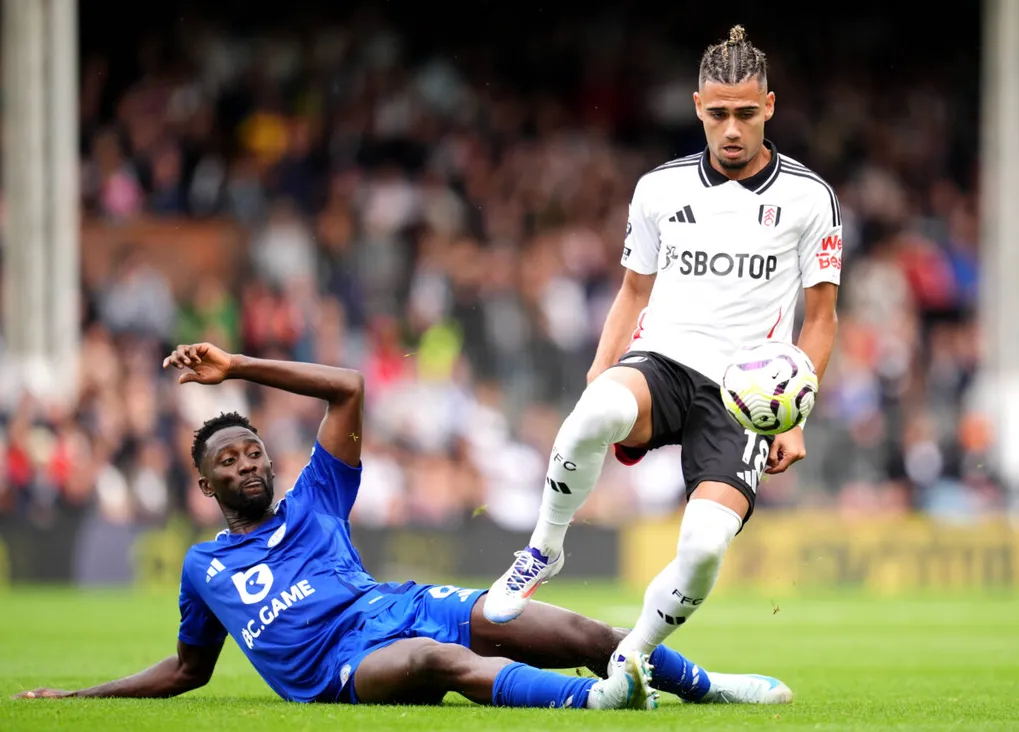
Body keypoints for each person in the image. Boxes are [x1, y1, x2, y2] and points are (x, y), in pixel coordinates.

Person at [16, 343, 786, 708]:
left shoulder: (315, 500)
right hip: (337, 670)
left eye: (254, 451)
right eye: (229, 460)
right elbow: (189, 670)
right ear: (204, 481)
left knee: (557, 624)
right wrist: (80, 700)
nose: (248, 464)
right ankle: (589, 703)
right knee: (430, 659)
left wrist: (240, 368)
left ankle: (707, 687)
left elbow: (348, 389)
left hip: (396, 605)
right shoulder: (203, 568)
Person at [484, 24, 839, 702]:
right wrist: (599, 369)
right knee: (597, 411)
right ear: (697, 106)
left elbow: (820, 319)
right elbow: (632, 292)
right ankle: (543, 549)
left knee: (704, 549)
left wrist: (796, 415)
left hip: (743, 395)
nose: (730, 129)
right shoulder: (657, 189)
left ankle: (631, 660)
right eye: (717, 113)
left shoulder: (809, 198)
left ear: (769, 105)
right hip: (665, 361)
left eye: (744, 113)